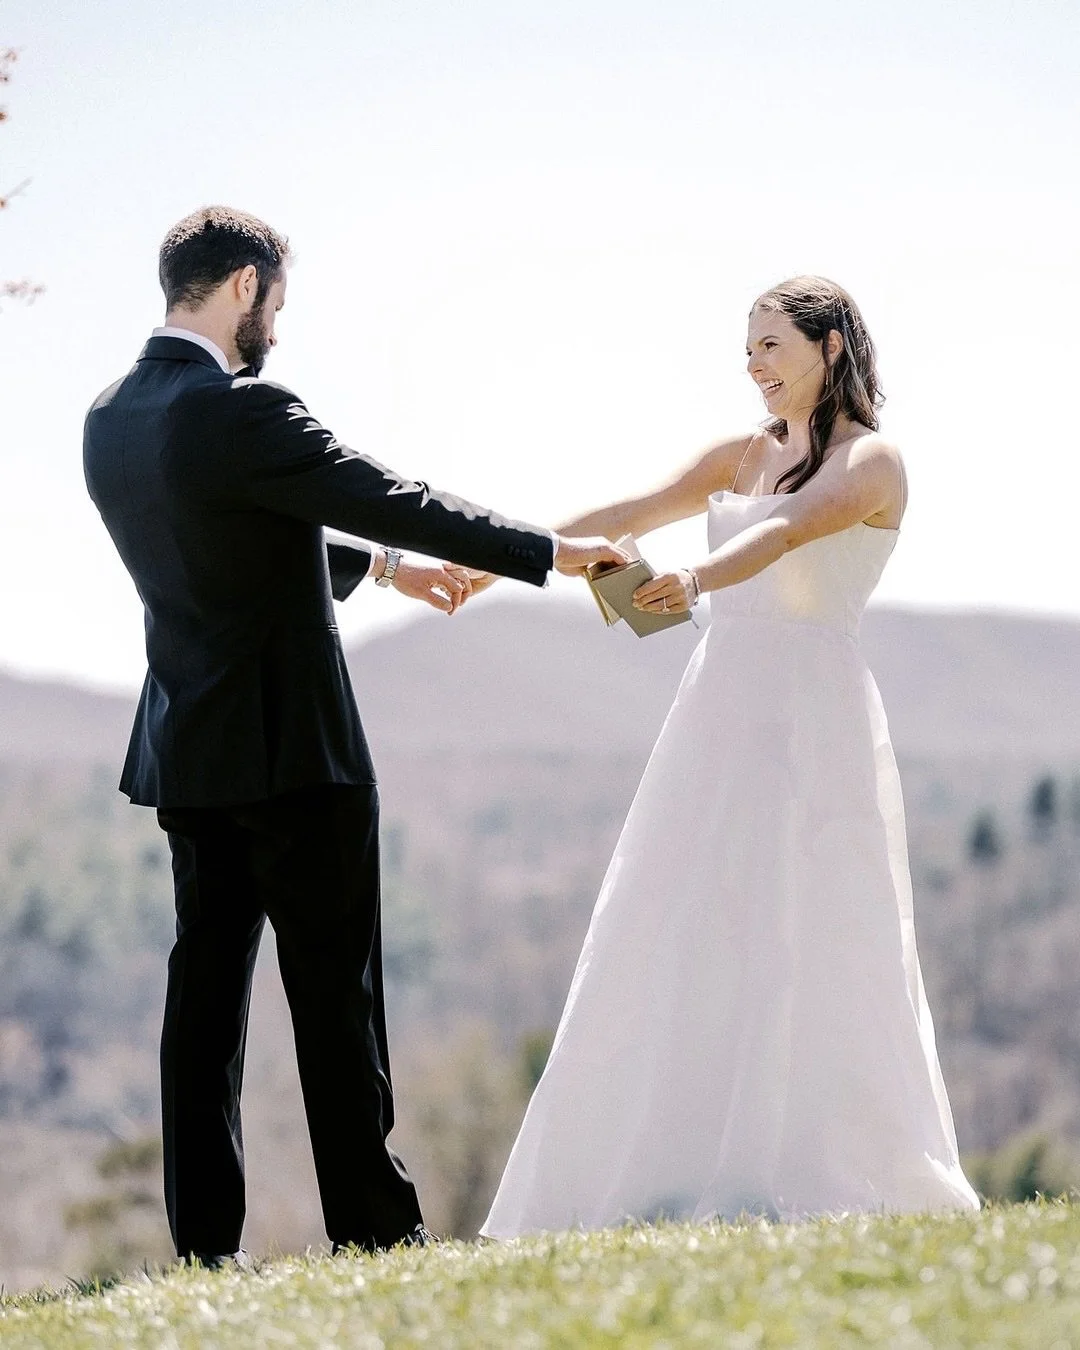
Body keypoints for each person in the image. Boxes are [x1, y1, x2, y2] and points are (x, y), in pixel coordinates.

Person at [83, 205, 624, 1267]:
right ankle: (375, 1234)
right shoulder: (244, 408)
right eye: (276, 301)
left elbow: (226, 530)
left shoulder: (111, 416)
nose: (277, 324)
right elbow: (389, 493)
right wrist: (552, 551)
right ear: (245, 285)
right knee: (335, 995)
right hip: (296, 754)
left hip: (188, 751)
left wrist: (379, 569)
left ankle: (203, 1248)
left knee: (204, 1003)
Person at [482, 276, 979, 1236]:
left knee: (811, 918)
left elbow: (791, 531)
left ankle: (815, 1158)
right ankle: (664, 1161)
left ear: (830, 346)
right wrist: (511, 552)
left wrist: (692, 580)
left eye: (771, 347)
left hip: (814, 712)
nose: (754, 366)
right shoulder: (741, 450)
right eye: (746, 349)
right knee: (682, 913)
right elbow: (636, 507)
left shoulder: (874, 462)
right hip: (716, 708)